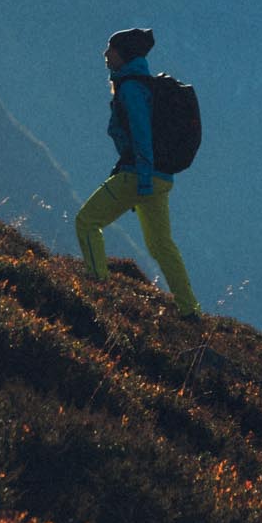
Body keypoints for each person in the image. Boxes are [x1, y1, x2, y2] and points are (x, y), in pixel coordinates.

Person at [73, 27, 199, 316]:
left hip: (139, 175)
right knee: (161, 245)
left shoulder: (130, 88)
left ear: (124, 54)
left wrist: (141, 176)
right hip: (161, 178)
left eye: (111, 49)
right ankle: (190, 309)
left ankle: (98, 286)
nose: (106, 54)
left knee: (87, 222)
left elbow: (141, 133)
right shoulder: (142, 84)